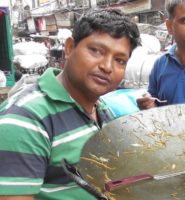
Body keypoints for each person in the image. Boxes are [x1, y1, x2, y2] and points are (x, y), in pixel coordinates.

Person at [0, 8, 140, 199]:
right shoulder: (25, 118)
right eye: (96, 51)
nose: (107, 66)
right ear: (69, 48)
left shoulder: (103, 109)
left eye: (120, 60)